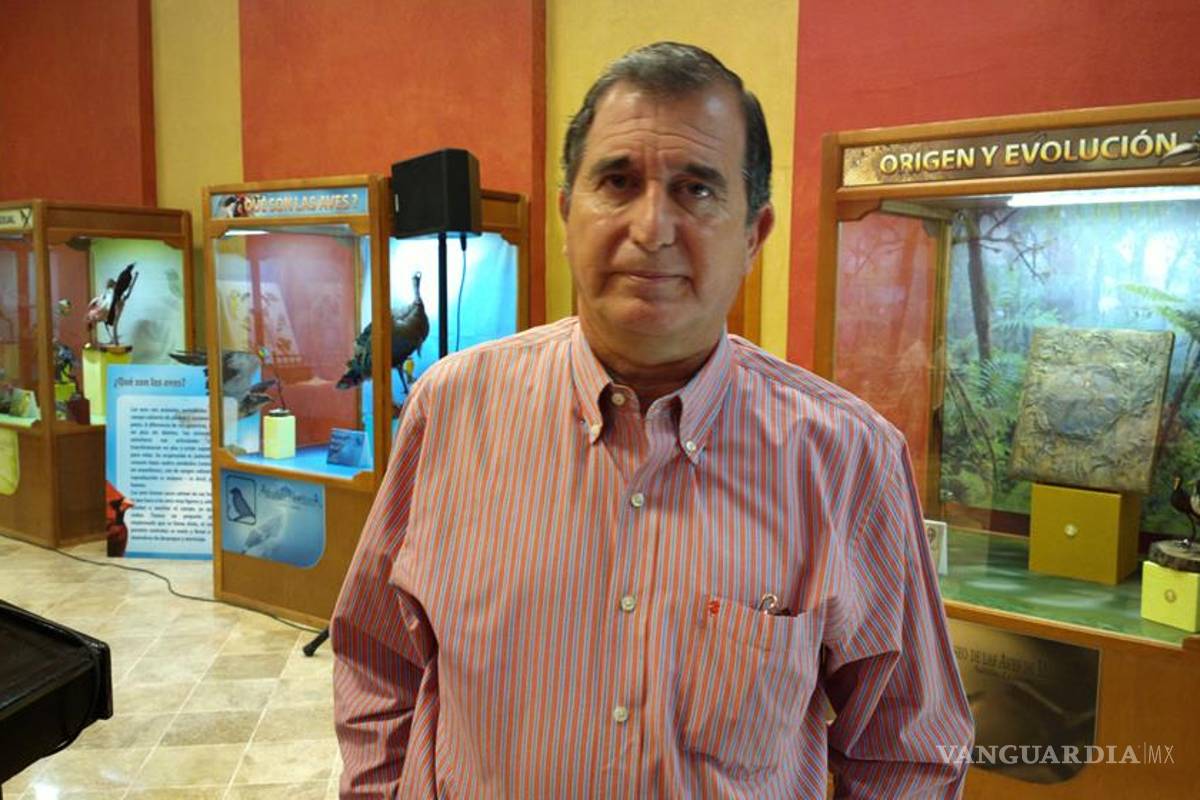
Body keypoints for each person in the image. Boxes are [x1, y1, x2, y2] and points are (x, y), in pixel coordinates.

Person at [332, 41, 973, 798]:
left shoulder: (848, 459)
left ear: (754, 235)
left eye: (696, 189)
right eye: (618, 182)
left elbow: (909, 751)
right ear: (567, 215)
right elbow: (379, 661)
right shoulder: (450, 408)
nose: (652, 227)